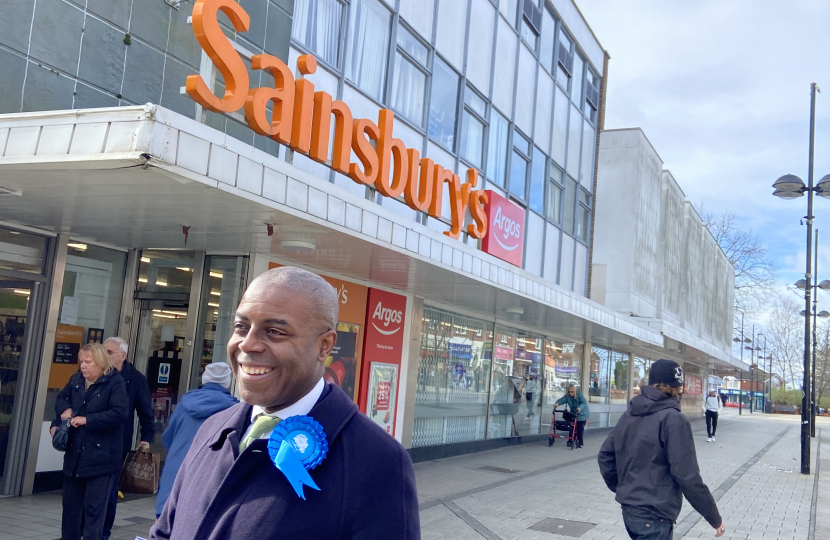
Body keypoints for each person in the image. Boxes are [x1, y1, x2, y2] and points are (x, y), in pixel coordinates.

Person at [150, 266, 420, 539]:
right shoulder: (211, 429)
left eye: (275, 331)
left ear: (324, 346)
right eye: (241, 327)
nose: (247, 344)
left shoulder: (377, 460)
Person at [598, 359, 725, 540]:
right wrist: (715, 518)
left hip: (631, 511)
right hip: (655, 515)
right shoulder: (674, 419)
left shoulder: (630, 413)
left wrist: (624, 489)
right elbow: (687, 476)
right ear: (678, 387)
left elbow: (605, 456)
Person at [50, 343, 128, 540]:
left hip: (101, 458)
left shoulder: (115, 383)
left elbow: (119, 414)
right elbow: (61, 397)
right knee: (70, 510)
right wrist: (63, 411)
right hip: (75, 457)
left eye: (88, 362)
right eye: (81, 361)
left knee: (94, 510)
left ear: (100, 363)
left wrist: (88, 420)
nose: (83, 366)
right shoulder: (76, 379)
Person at [155, 362, 238, 517]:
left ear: (204, 378)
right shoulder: (234, 409)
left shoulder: (184, 403)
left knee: (165, 524)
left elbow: (167, 438)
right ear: (228, 382)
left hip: (176, 471)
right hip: (210, 476)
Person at [101, 336, 155, 540]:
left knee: (110, 491)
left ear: (122, 356)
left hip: (118, 444)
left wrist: (146, 437)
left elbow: (145, 413)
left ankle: (103, 533)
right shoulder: (97, 374)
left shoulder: (136, 379)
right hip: (90, 443)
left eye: (109, 352)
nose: (104, 356)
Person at [553, 384, 590, 448]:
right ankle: (570, 441)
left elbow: (583, 403)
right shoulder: (568, 396)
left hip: (582, 414)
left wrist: (579, 408)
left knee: (579, 428)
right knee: (572, 428)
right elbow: (563, 399)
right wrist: (557, 403)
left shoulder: (579, 395)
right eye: (569, 392)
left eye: (572, 392)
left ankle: (580, 442)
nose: (570, 393)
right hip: (574, 414)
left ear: (574, 391)